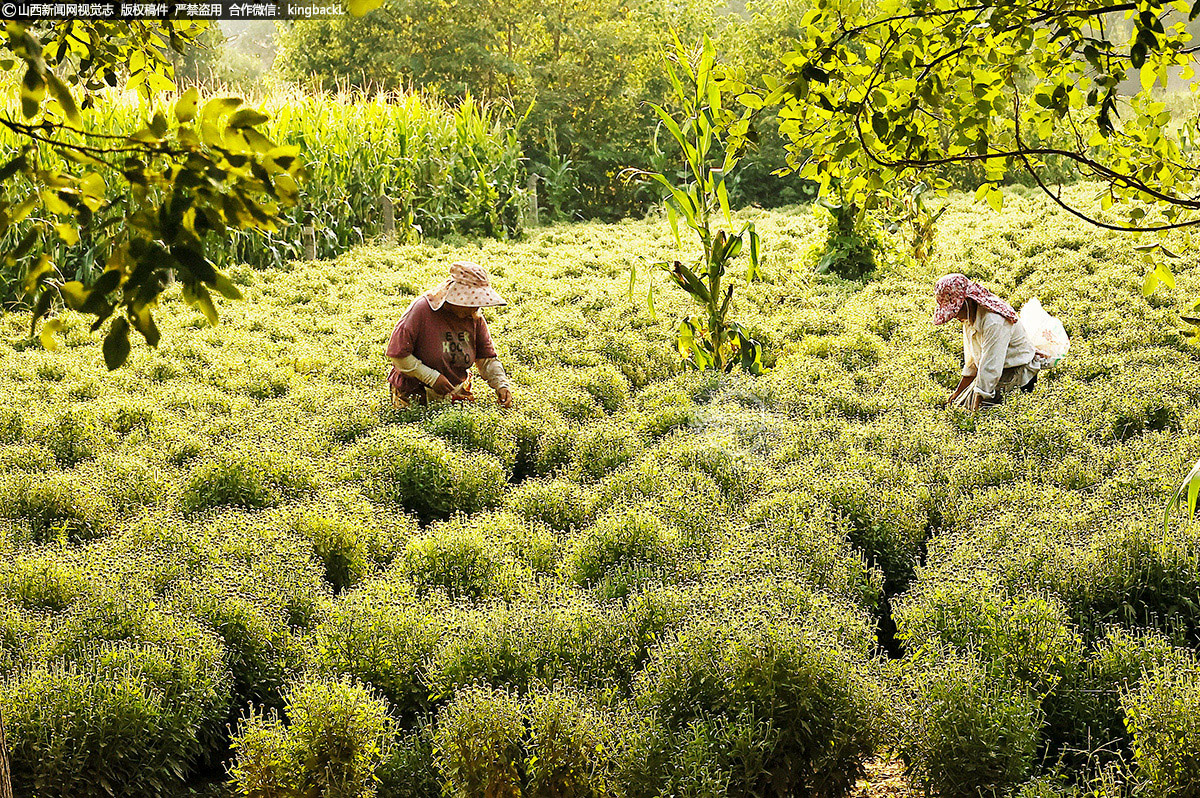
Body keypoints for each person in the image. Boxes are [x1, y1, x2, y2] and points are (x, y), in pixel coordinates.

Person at [386, 261, 514, 409]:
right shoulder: (422, 310)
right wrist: (432, 378)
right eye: (471, 302)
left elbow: (486, 359)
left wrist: (501, 385)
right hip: (414, 391)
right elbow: (398, 356)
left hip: (453, 391)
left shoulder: (474, 317)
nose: (475, 307)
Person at [933, 273, 1044, 411]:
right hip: (998, 369)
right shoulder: (968, 317)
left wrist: (977, 408)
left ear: (967, 302)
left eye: (955, 311)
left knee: (981, 410)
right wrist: (957, 393)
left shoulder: (994, 322)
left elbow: (991, 368)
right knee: (959, 404)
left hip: (1016, 370)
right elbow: (972, 361)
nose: (954, 316)